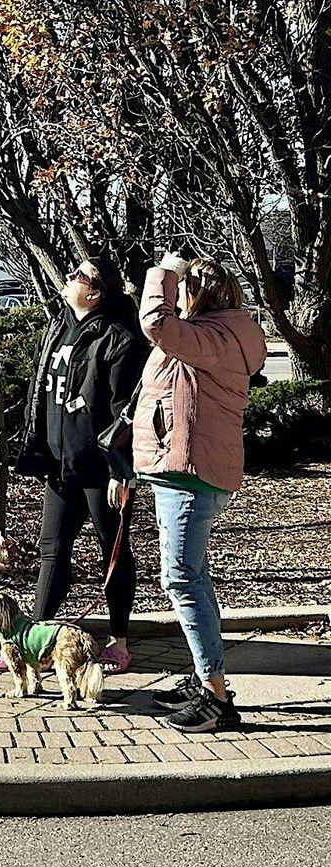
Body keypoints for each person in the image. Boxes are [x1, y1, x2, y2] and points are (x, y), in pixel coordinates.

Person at [133, 252, 266, 733]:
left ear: (196, 293)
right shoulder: (215, 336)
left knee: (182, 579)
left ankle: (215, 698)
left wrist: (163, 272)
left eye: (182, 288)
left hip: (189, 474)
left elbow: (154, 322)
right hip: (185, 471)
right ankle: (205, 678)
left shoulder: (212, 338)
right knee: (193, 578)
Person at [15, 254, 147, 674]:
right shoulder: (58, 326)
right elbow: (40, 391)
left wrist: (121, 471)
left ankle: (119, 642)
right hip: (60, 463)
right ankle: (33, 643)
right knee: (52, 550)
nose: (69, 277)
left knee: (113, 550)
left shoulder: (119, 339)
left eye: (79, 275)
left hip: (101, 469)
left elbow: (126, 410)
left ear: (95, 293)